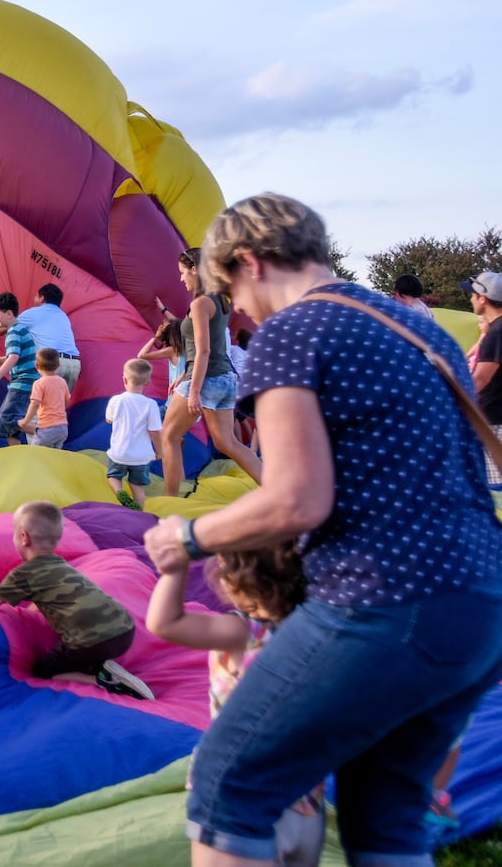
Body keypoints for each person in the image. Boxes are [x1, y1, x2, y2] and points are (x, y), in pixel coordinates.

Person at [142, 192, 502, 865]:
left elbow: (297, 499)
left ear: (251, 261)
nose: (241, 312)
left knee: (228, 785)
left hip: (385, 593)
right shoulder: (422, 328)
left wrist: (187, 539)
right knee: (387, 817)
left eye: (232, 291)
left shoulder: (294, 331)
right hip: (482, 599)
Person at [146, 546, 326, 866]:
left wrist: (175, 569)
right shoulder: (324, 633)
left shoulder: (246, 632)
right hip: (307, 801)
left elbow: (166, 622)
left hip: (244, 798)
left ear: (236, 582)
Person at [0, 500, 153, 700]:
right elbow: (54, 601)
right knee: (85, 647)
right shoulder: (61, 565)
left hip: (92, 639)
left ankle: (102, 680)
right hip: (124, 630)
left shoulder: (25, 573)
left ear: (23, 537)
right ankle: (100, 665)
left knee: (44, 672)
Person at [159, 248, 263, 496]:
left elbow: (203, 350)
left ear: (195, 270)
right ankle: (274, 486)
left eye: (183, 272)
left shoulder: (199, 304)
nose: (181, 278)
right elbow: (212, 348)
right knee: (227, 442)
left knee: (169, 436)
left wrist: (194, 391)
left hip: (206, 379)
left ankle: (170, 499)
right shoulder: (220, 301)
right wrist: (185, 374)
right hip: (225, 379)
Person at [0, 292, 38, 446]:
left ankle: (43, 431)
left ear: (9, 313)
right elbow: (13, 355)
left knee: (8, 417)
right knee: (3, 423)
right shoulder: (20, 329)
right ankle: (16, 454)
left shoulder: (13, 332)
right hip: (27, 381)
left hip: (24, 381)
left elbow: (13, 358)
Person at [105, 358, 163, 509]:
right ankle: (139, 513)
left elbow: (109, 420)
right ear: (147, 383)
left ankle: (119, 492)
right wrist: (160, 451)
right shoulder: (151, 405)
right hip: (141, 456)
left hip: (119, 452)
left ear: (124, 379)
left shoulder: (116, 400)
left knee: (113, 477)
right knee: (137, 485)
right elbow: (154, 431)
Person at [462, 271, 502, 488]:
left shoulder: (496, 332)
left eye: (473, 295)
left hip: (492, 418)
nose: (470, 299)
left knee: (494, 485)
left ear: (483, 299)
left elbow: (480, 380)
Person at [17, 283, 83, 392]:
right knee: (57, 406)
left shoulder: (33, 313)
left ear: (42, 298)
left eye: (36, 295)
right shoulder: (63, 316)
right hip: (74, 365)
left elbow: (9, 326)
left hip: (52, 362)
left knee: (40, 406)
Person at [17, 347, 69, 449]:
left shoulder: (39, 383)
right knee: (54, 456)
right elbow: (66, 400)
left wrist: (25, 421)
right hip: (63, 427)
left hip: (46, 428)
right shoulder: (62, 381)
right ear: (58, 365)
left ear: (37, 366)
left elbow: (35, 404)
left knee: (36, 456)